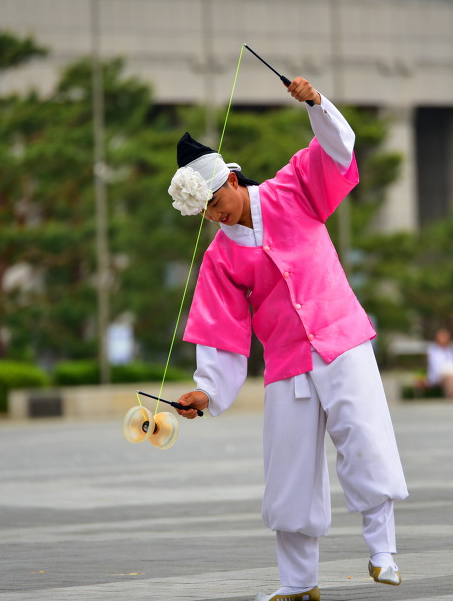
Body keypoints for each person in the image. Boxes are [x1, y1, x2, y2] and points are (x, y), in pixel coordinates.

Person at [168, 77, 409, 601]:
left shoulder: (293, 188)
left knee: (364, 438)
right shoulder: (219, 258)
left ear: (232, 179)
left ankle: (383, 551)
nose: (214, 215)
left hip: (341, 339)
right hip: (285, 362)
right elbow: (221, 331)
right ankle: (298, 583)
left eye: (215, 201)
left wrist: (317, 104)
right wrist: (207, 391)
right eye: (204, 212)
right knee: (290, 469)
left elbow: (337, 151)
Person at [426, 327, 453, 399]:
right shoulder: (433, 350)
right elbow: (436, 367)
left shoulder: (452, 349)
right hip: (438, 375)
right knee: (451, 376)